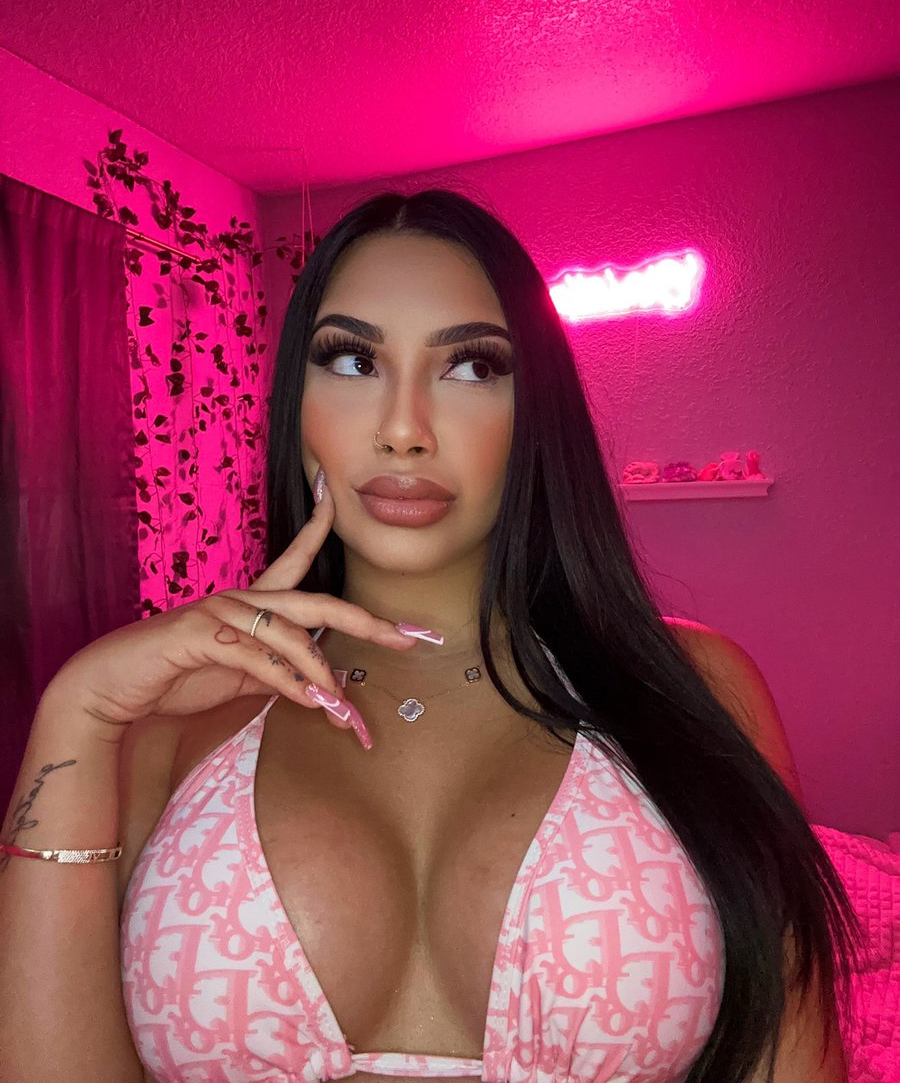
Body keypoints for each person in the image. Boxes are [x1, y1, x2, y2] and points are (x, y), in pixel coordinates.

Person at [0, 189, 861, 1083]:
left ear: (535, 415)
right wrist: (77, 713)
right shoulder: (165, 726)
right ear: (296, 407)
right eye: (352, 360)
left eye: (471, 368)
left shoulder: (694, 691)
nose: (404, 430)